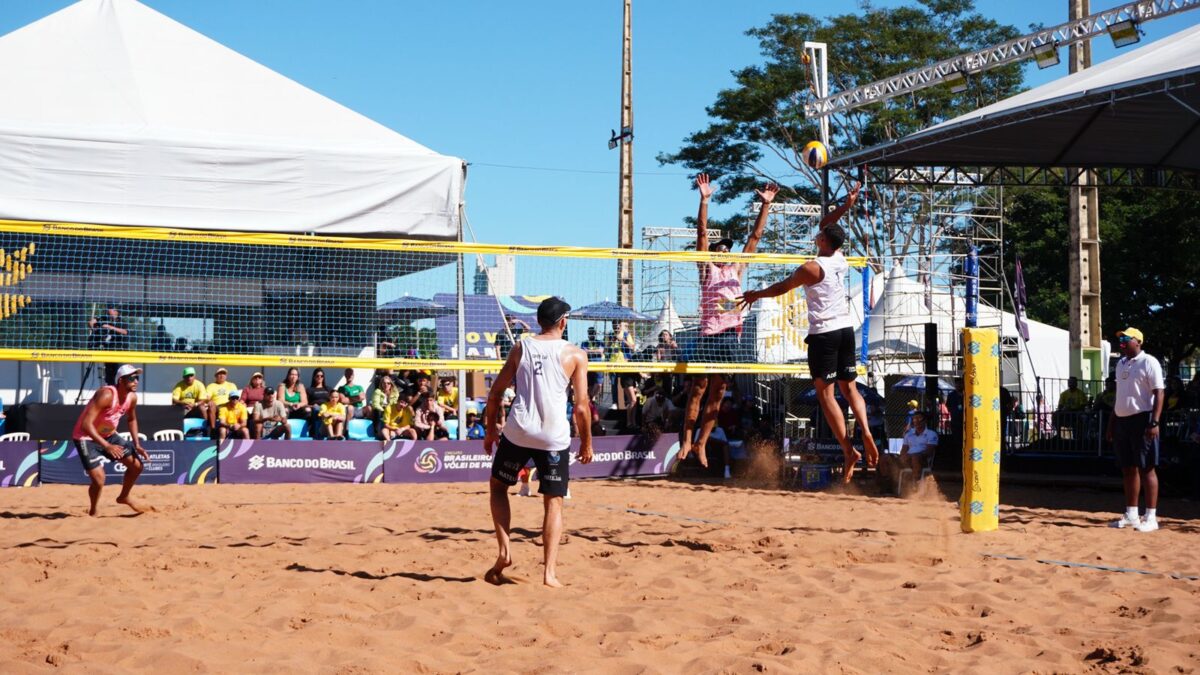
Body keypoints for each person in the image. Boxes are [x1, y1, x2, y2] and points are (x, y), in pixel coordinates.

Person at [738, 184, 880, 481]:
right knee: (850, 388)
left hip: (825, 334)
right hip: (845, 330)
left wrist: (754, 295)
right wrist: (847, 204)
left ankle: (848, 448)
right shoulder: (840, 258)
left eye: (820, 235)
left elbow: (780, 289)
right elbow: (828, 223)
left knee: (826, 395)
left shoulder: (812, 268)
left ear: (826, 242)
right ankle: (865, 431)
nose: (816, 234)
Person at [483, 296, 593, 588]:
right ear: (563, 322)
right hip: (554, 435)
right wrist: (586, 443)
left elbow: (494, 394)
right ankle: (550, 574)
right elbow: (581, 407)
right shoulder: (576, 354)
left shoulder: (521, 347)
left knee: (498, 488)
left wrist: (490, 431)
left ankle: (505, 551)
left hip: (519, 429)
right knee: (553, 502)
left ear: (538, 321)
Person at [679, 174, 776, 468]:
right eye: (719, 249)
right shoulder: (707, 269)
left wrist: (766, 207)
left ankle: (701, 443)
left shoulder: (736, 270)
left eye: (726, 250)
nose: (723, 252)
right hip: (709, 336)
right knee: (698, 389)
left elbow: (754, 238)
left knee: (718, 395)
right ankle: (685, 439)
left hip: (729, 337)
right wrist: (704, 200)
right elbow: (701, 234)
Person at [72, 364, 149, 516]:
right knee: (99, 480)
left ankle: (123, 496)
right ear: (121, 380)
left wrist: (137, 444)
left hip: (109, 435)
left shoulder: (132, 398)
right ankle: (93, 510)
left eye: (137, 378)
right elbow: (86, 424)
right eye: (132, 378)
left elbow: (132, 419)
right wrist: (107, 446)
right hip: (86, 436)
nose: (136, 382)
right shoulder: (106, 395)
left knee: (137, 466)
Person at [1107, 328, 1164, 532]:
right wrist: (1111, 423)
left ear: (1138, 341)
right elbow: (1119, 397)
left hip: (1143, 419)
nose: (1121, 341)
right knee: (1128, 468)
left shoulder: (1149, 361)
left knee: (1146, 467)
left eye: (1125, 338)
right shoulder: (1120, 363)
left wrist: (1154, 422)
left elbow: (1159, 393)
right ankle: (1131, 514)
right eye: (1120, 338)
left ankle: (1151, 517)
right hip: (1122, 421)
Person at [88, 306, 130, 385]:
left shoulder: (121, 321)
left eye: (111, 310)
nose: (108, 311)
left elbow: (125, 332)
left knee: (119, 375)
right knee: (109, 377)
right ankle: (111, 390)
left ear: (116, 311)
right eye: (108, 310)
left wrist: (110, 327)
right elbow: (91, 323)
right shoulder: (104, 319)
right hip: (108, 352)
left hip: (119, 353)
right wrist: (96, 329)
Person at [898, 411, 938, 482]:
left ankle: (916, 485)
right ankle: (889, 485)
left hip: (922, 460)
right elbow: (904, 449)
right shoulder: (908, 434)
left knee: (915, 457)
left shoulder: (931, 434)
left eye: (919, 418)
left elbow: (929, 452)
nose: (916, 421)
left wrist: (913, 455)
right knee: (886, 457)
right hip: (908, 459)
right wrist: (903, 456)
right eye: (914, 419)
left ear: (925, 421)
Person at [580, 326, 605, 401]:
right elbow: (583, 352)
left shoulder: (600, 342)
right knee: (589, 385)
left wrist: (589, 351)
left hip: (598, 366)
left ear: (595, 334)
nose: (591, 334)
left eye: (593, 333)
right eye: (590, 333)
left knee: (599, 384)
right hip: (588, 366)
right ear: (588, 334)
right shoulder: (584, 343)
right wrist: (596, 351)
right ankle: (591, 401)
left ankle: (591, 397)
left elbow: (601, 351)